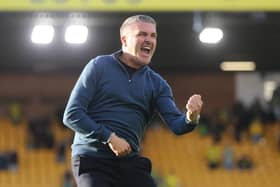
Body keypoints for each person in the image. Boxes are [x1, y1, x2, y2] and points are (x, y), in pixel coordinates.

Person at [63, 15, 203, 187]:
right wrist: (110, 137)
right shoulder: (99, 66)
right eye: (142, 34)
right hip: (92, 160)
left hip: (129, 162)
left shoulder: (157, 84)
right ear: (124, 39)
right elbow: (72, 115)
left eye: (153, 36)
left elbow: (177, 125)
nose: (149, 40)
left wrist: (191, 116)